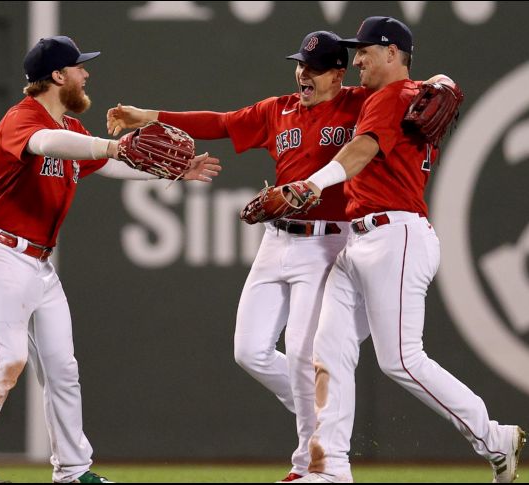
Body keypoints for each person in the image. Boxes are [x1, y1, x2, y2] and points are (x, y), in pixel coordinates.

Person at [0, 36, 220, 484]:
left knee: (62, 369)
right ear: (57, 75)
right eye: (78, 67)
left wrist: (171, 170)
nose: (85, 74)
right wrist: (111, 147)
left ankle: (72, 472)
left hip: (38, 265)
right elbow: (46, 144)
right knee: (6, 359)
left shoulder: (72, 130)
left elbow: (108, 164)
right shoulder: (23, 119)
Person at [107, 31, 368, 482]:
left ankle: (311, 462)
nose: (303, 74)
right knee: (250, 351)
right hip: (277, 240)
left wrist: (438, 81)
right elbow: (221, 123)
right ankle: (325, 411)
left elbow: (406, 96)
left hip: (328, 243)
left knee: (307, 355)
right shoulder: (278, 109)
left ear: (338, 75)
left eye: (315, 68)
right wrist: (147, 115)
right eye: (300, 65)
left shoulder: (358, 105)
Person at [290, 17, 526, 483]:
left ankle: (492, 437)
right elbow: (431, 86)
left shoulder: (393, 96)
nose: (356, 59)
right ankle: (329, 470)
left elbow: (361, 149)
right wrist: (442, 79)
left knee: (400, 359)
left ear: (393, 53)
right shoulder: (409, 93)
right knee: (329, 350)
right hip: (362, 240)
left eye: (366, 51)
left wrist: (313, 184)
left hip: (394, 236)